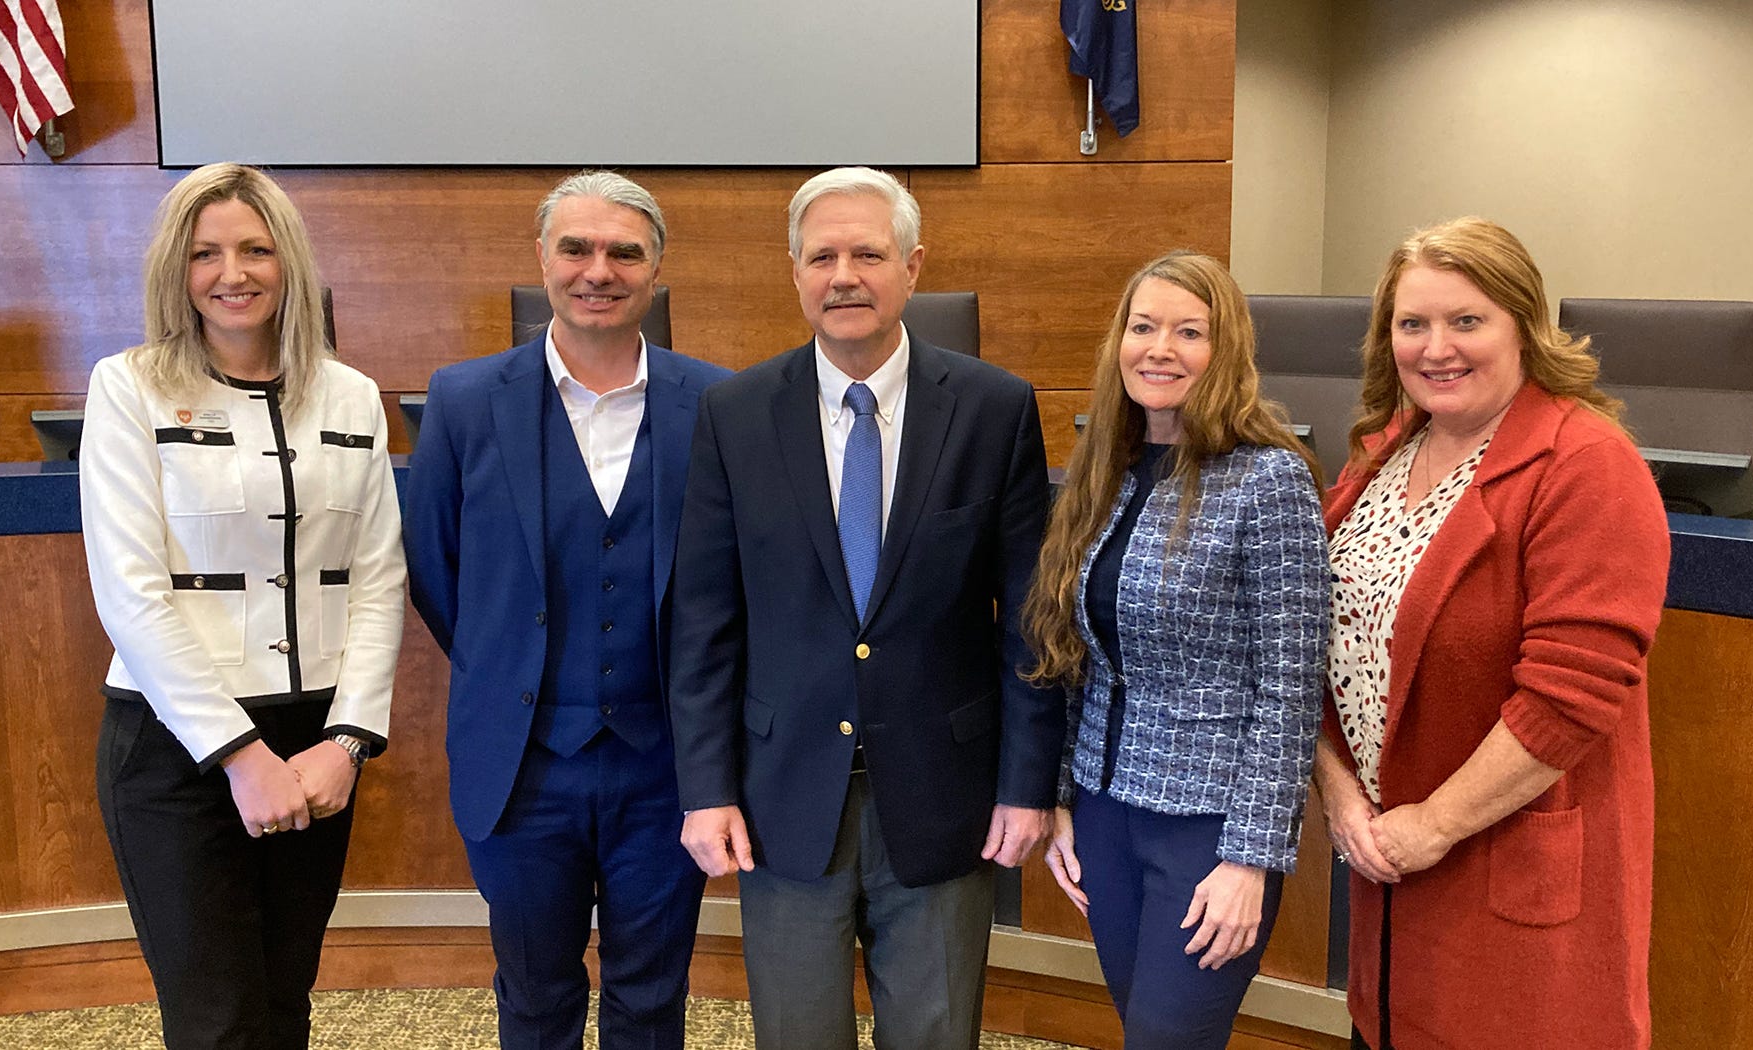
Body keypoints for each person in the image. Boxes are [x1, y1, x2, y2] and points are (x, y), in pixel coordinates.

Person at [667, 166, 1061, 1050]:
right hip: (781, 799)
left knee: (935, 1036)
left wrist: (1027, 784)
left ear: (912, 268)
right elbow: (703, 623)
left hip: (946, 797)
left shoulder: (994, 409)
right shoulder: (734, 414)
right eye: (822, 257)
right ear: (795, 274)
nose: (843, 276)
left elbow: (1030, 622)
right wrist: (705, 789)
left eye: (868, 255)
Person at [1314, 217, 1669, 1049]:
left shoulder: (1586, 463)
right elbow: (1318, 642)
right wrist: (1336, 789)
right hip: (1387, 875)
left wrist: (1433, 824)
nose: (1436, 347)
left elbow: (1571, 697)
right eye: (1412, 323)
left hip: (1503, 868)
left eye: (1466, 320)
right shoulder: (1384, 451)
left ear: (1523, 325)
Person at [81, 162, 406, 1049]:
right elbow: (130, 592)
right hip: (177, 746)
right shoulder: (128, 385)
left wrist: (348, 742)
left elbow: (377, 580)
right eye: (206, 254)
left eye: (256, 249)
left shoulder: (351, 394)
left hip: (316, 745)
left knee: (282, 1002)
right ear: (176, 271)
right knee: (217, 1021)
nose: (234, 273)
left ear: (288, 261)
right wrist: (240, 756)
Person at [403, 171, 728, 1049]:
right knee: (535, 997)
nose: (599, 270)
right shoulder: (465, 401)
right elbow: (434, 568)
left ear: (656, 269)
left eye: (625, 252)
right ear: (543, 258)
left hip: (665, 769)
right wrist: (508, 660)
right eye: (576, 248)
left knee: (651, 996)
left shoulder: (717, 404)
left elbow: (731, 584)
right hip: (520, 769)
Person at [1023, 251, 1328, 1048]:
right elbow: (1077, 655)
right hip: (1105, 815)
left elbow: (1291, 687)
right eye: (1144, 327)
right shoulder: (1105, 472)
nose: (1160, 349)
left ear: (1225, 351)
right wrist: (1063, 798)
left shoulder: (1269, 480)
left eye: (1189, 332)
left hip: (1207, 829)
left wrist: (1252, 859)